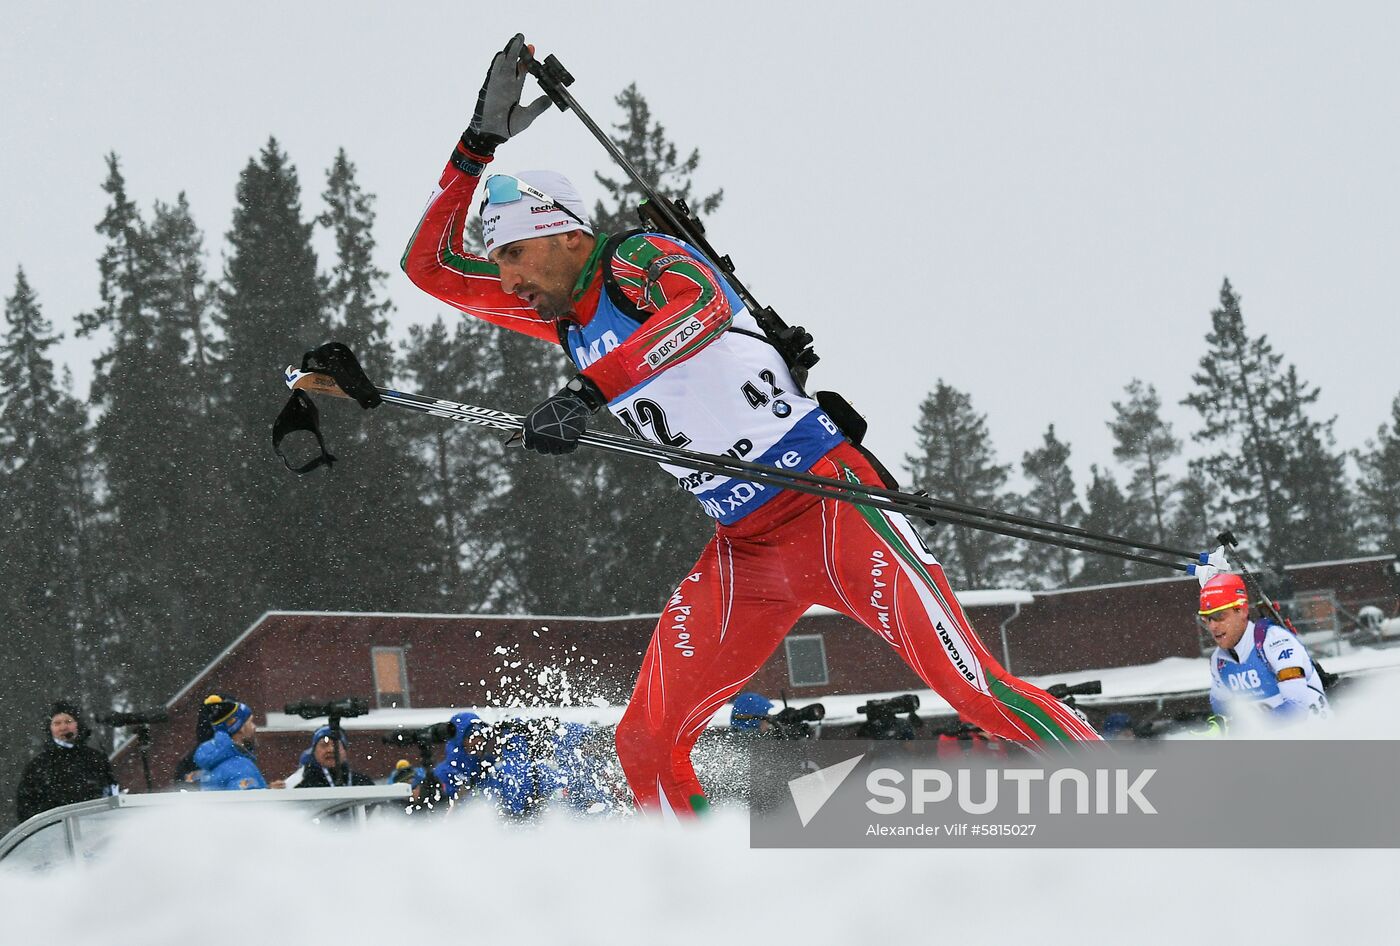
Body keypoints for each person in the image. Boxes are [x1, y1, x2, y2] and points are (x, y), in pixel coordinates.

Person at [401, 35, 1099, 815]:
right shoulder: (561, 314)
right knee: (645, 741)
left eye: (518, 255)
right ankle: (708, 897)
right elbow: (428, 268)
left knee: (970, 687)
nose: (509, 279)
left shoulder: (637, 261)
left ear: (569, 234)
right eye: (500, 264)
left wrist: (587, 392)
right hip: (746, 547)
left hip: (831, 503)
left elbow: (699, 311)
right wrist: (475, 147)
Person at [1200, 573, 1328, 727]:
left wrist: (1246, 728)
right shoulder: (1219, 661)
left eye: (1219, 616)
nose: (1213, 626)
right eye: (1207, 619)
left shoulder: (1276, 642)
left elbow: (1296, 710)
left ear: (1241, 611)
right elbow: (1222, 711)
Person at [432, 712, 556, 816]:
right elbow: (442, 810)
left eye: (481, 736)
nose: (479, 741)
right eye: (473, 737)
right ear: (458, 739)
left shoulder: (489, 766)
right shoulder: (443, 772)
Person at [15, 701, 118, 824]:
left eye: (68, 722)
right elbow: (26, 809)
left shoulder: (96, 758)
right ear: (50, 728)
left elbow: (111, 793)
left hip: (96, 829)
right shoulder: (38, 765)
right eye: (57, 723)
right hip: (55, 834)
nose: (63, 727)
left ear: (78, 725)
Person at [192, 695, 268, 791]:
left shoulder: (214, 763)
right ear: (240, 727)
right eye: (250, 722)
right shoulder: (241, 767)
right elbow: (248, 803)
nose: (254, 727)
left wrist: (269, 790)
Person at [294, 726, 376, 788]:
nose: (331, 750)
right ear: (313, 752)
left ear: (345, 751)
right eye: (324, 745)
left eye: (336, 745)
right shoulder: (301, 782)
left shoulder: (362, 782)